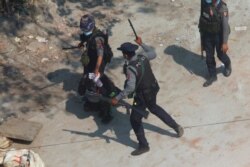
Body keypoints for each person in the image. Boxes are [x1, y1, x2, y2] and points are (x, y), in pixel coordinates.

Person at [111, 37, 184, 156]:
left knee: (134, 119)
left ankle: (144, 145)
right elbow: (153, 53)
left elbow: (130, 88)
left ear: (125, 54)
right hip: (153, 88)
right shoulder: (143, 57)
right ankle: (176, 126)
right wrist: (142, 44)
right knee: (154, 107)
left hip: (142, 96)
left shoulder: (130, 68)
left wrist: (117, 98)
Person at [77, 14, 113, 124]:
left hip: (98, 64)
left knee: (98, 87)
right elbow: (85, 40)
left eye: (86, 28)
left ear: (91, 26)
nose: (84, 30)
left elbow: (100, 55)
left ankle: (106, 111)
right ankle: (92, 102)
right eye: (83, 28)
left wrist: (97, 70)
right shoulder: (87, 34)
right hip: (90, 62)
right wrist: (81, 44)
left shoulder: (98, 39)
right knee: (88, 82)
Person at [199, 0, 232, 87]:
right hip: (207, 34)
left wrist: (224, 42)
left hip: (219, 35)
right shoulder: (204, 2)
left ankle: (228, 64)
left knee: (221, 54)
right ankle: (213, 75)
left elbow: (225, 26)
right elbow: (202, 19)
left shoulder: (222, 8)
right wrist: (202, 40)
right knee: (209, 56)